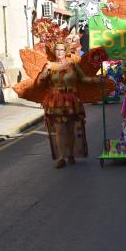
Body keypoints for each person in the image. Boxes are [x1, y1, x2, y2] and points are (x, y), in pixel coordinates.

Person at [38, 41, 103, 169]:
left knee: (70, 129)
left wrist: (96, 80)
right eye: (57, 49)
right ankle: (62, 157)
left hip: (71, 100)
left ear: (66, 51)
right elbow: (40, 82)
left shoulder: (72, 64)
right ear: (53, 51)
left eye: (62, 49)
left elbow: (83, 78)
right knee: (60, 130)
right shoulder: (49, 65)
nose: (59, 52)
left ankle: (70, 154)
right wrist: (44, 74)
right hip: (56, 101)